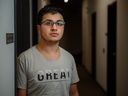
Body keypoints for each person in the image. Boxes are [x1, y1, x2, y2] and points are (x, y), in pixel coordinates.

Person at [17, 4, 79, 96]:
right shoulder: (24, 58)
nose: (54, 28)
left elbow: (74, 92)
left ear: (63, 27)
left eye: (59, 23)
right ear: (38, 27)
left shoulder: (69, 58)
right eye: (48, 23)